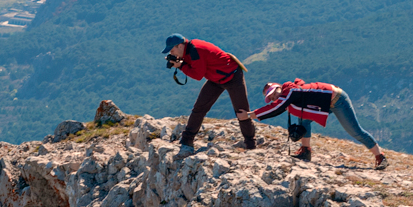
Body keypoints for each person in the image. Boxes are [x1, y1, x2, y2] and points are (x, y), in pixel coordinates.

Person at [252, 79, 388, 168]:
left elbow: (277, 108)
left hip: (338, 100)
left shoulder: (290, 91)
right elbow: (280, 106)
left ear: (279, 88)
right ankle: (305, 151)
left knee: (355, 131)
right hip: (324, 104)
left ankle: (380, 157)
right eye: (270, 97)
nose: (273, 97)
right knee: (303, 119)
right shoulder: (289, 94)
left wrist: (252, 114)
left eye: (273, 93)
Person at [163, 34, 258, 152]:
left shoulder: (195, 50)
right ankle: (186, 140)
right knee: (199, 108)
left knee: (242, 112)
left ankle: (251, 146)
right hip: (215, 79)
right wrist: (179, 61)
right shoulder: (188, 50)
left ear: (180, 46)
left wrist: (181, 66)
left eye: (172, 50)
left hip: (232, 76)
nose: (172, 54)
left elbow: (197, 75)